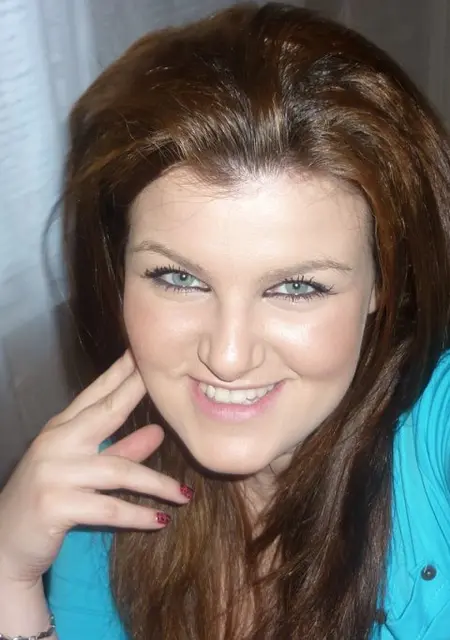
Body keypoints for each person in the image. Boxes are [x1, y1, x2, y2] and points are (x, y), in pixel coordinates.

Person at [1, 2, 450, 638]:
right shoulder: (102, 481)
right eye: (178, 278)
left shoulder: (436, 439)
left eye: (296, 287)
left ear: (385, 281)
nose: (228, 357)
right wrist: (9, 573)